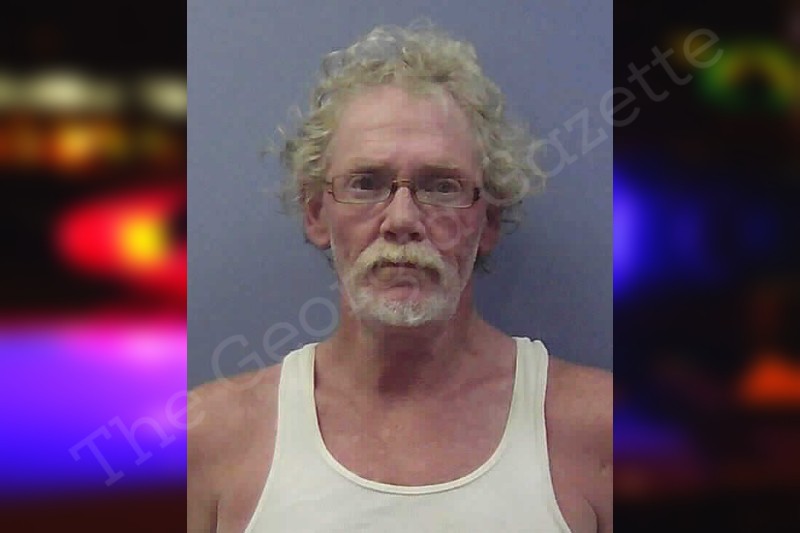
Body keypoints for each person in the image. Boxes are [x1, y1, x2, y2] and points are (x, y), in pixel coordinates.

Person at [188, 23, 612, 533]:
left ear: (489, 220)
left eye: (442, 186)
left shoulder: (601, 431)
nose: (402, 219)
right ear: (316, 213)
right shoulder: (211, 440)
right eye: (366, 183)